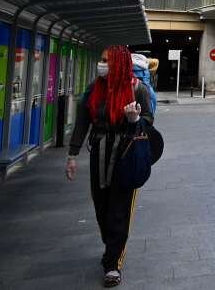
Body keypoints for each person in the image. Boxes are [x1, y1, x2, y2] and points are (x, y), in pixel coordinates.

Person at [65, 45, 152, 288]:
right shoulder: (94, 89)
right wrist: (72, 154)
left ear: (120, 64)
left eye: (106, 61)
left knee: (118, 211)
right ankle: (111, 243)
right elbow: (83, 122)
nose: (101, 64)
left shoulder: (138, 89)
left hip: (126, 155)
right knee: (101, 207)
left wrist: (134, 120)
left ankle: (113, 264)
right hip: (100, 155)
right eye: (101, 60)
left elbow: (148, 121)